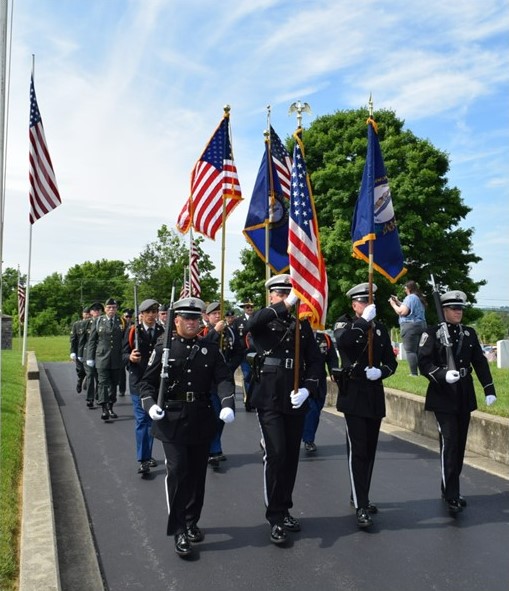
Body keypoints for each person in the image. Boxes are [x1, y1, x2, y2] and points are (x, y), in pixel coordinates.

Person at [138, 297, 236, 558]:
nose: (192, 323)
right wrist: (150, 406)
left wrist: (227, 403)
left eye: (196, 318)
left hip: (201, 418)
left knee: (196, 475)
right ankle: (179, 528)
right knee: (179, 471)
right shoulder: (164, 348)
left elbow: (224, 379)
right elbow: (145, 384)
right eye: (187, 318)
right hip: (172, 420)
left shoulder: (210, 349)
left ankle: (192, 521)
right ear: (176, 320)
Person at [246, 274, 322, 545]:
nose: (285, 298)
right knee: (276, 454)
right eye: (279, 294)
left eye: (288, 294)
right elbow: (251, 324)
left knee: (290, 456)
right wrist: (284, 306)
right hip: (269, 398)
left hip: (295, 397)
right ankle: (274, 516)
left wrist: (307, 389)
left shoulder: (302, 325)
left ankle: (285, 507)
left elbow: (314, 361)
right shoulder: (264, 322)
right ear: (272, 297)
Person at [417, 289, 497, 514]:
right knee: (450, 443)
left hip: (463, 393)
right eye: (454, 308)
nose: (459, 312)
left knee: (459, 445)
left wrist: (488, 388)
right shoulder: (431, 333)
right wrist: (442, 375)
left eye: (460, 308)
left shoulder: (469, 334)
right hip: (443, 395)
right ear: (444, 310)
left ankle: (449, 487)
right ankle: (452, 493)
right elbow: (424, 363)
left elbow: (480, 362)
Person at [334, 282, 397, 529]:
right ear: (354, 304)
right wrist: (362, 323)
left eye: (370, 302)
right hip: (353, 393)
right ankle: (361, 505)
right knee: (357, 450)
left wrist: (380, 372)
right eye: (362, 301)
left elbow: (392, 363)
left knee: (369, 451)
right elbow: (343, 343)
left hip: (374, 394)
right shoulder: (346, 323)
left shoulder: (380, 329)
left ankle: (361, 494)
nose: (367, 305)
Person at [123, 299, 164, 475]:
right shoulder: (134, 331)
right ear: (141, 314)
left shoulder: (162, 331)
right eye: (148, 312)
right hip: (138, 381)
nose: (151, 315)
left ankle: (147, 454)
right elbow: (122, 353)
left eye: (154, 312)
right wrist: (130, 357)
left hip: (156, 383)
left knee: (152, 419)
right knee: (142, 421)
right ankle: (143, 459)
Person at [199, 301, 237, 467]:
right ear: (207, 316)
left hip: (225, 379)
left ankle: (213, 446)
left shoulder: (230, 331)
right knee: (214, 415)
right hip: (209, 381)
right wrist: (215, 332)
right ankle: (214, 450)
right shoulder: (204, 331)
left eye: (218, 313)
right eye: (213, 314)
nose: (217, 316)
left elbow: (239, 349)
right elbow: (202, 346)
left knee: (224, 415)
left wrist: (229, 366)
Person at [86, 298, 124, 421]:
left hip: (117, 358)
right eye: (109, 308)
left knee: (114, 384)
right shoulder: (98, 321)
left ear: (116, 309)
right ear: (105, 309)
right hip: (101, 358)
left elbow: (126, 341)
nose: (111, 310)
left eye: (113, 307)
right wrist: (90, 358)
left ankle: (110, 406)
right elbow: (92, 341)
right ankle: (104, 409)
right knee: (102, 383)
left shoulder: (122, 321)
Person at [302, 330, 338, 452]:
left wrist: (333, 371)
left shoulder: (325, 339)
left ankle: (308, 436)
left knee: (317, 407)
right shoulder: (298, 334)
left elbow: (332, 357)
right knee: (310, 408)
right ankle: (308, 439)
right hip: (302, 378)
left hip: (320, 379)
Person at [388, 280, 427, 376]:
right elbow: (408, 307)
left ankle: (413, 373)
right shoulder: (418, 298)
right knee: (418, 350)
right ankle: (423, 372)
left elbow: (403, 312)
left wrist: (393, 305)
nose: (405, 290)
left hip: (410, 326)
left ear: (409, 288)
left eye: (405, 288)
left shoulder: (410, 298)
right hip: (421, 325)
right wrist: (398, 301)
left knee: (411, 351)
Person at [79, 302, 104, 408]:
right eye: (94, 310)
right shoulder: (86, 323)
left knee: (99, 377)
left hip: (100, 354)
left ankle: (99, 396)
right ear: (90, 312)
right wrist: (79, 354)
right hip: (88, 353)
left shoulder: (104, 322)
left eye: (98, 310)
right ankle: (90, 398)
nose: (96, 312)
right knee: (90, 376)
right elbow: (81, 340)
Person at [233, 299, 256, 411]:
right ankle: (248, 401)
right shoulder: (238, 321)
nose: (250, 309)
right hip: (244, 354)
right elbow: (235, 338)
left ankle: (254, 399)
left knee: (256, 377)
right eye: (247, 307)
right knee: (247, 377)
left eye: (251, 307)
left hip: (257, 354)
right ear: (244, 308)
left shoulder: (258, 318)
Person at [70, 306, 90, 393]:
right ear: (82, 314)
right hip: (79, 351)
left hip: (89, 351)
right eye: (86, 313)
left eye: (89, 314)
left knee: (90, 370)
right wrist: (72, 352)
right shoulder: (77, 325)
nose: (87, 315)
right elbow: (73, 339)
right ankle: (80, 380)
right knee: (81, 370)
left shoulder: (93, 324)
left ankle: (88, 383)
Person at [118, 308, 135, 396]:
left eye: (130, 316)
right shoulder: (120, 324)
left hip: (130, 351)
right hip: (121, 350)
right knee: (121, 372)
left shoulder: (134, 325)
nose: (128, 318)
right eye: (126, 316)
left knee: (131, 370)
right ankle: (122, 389)